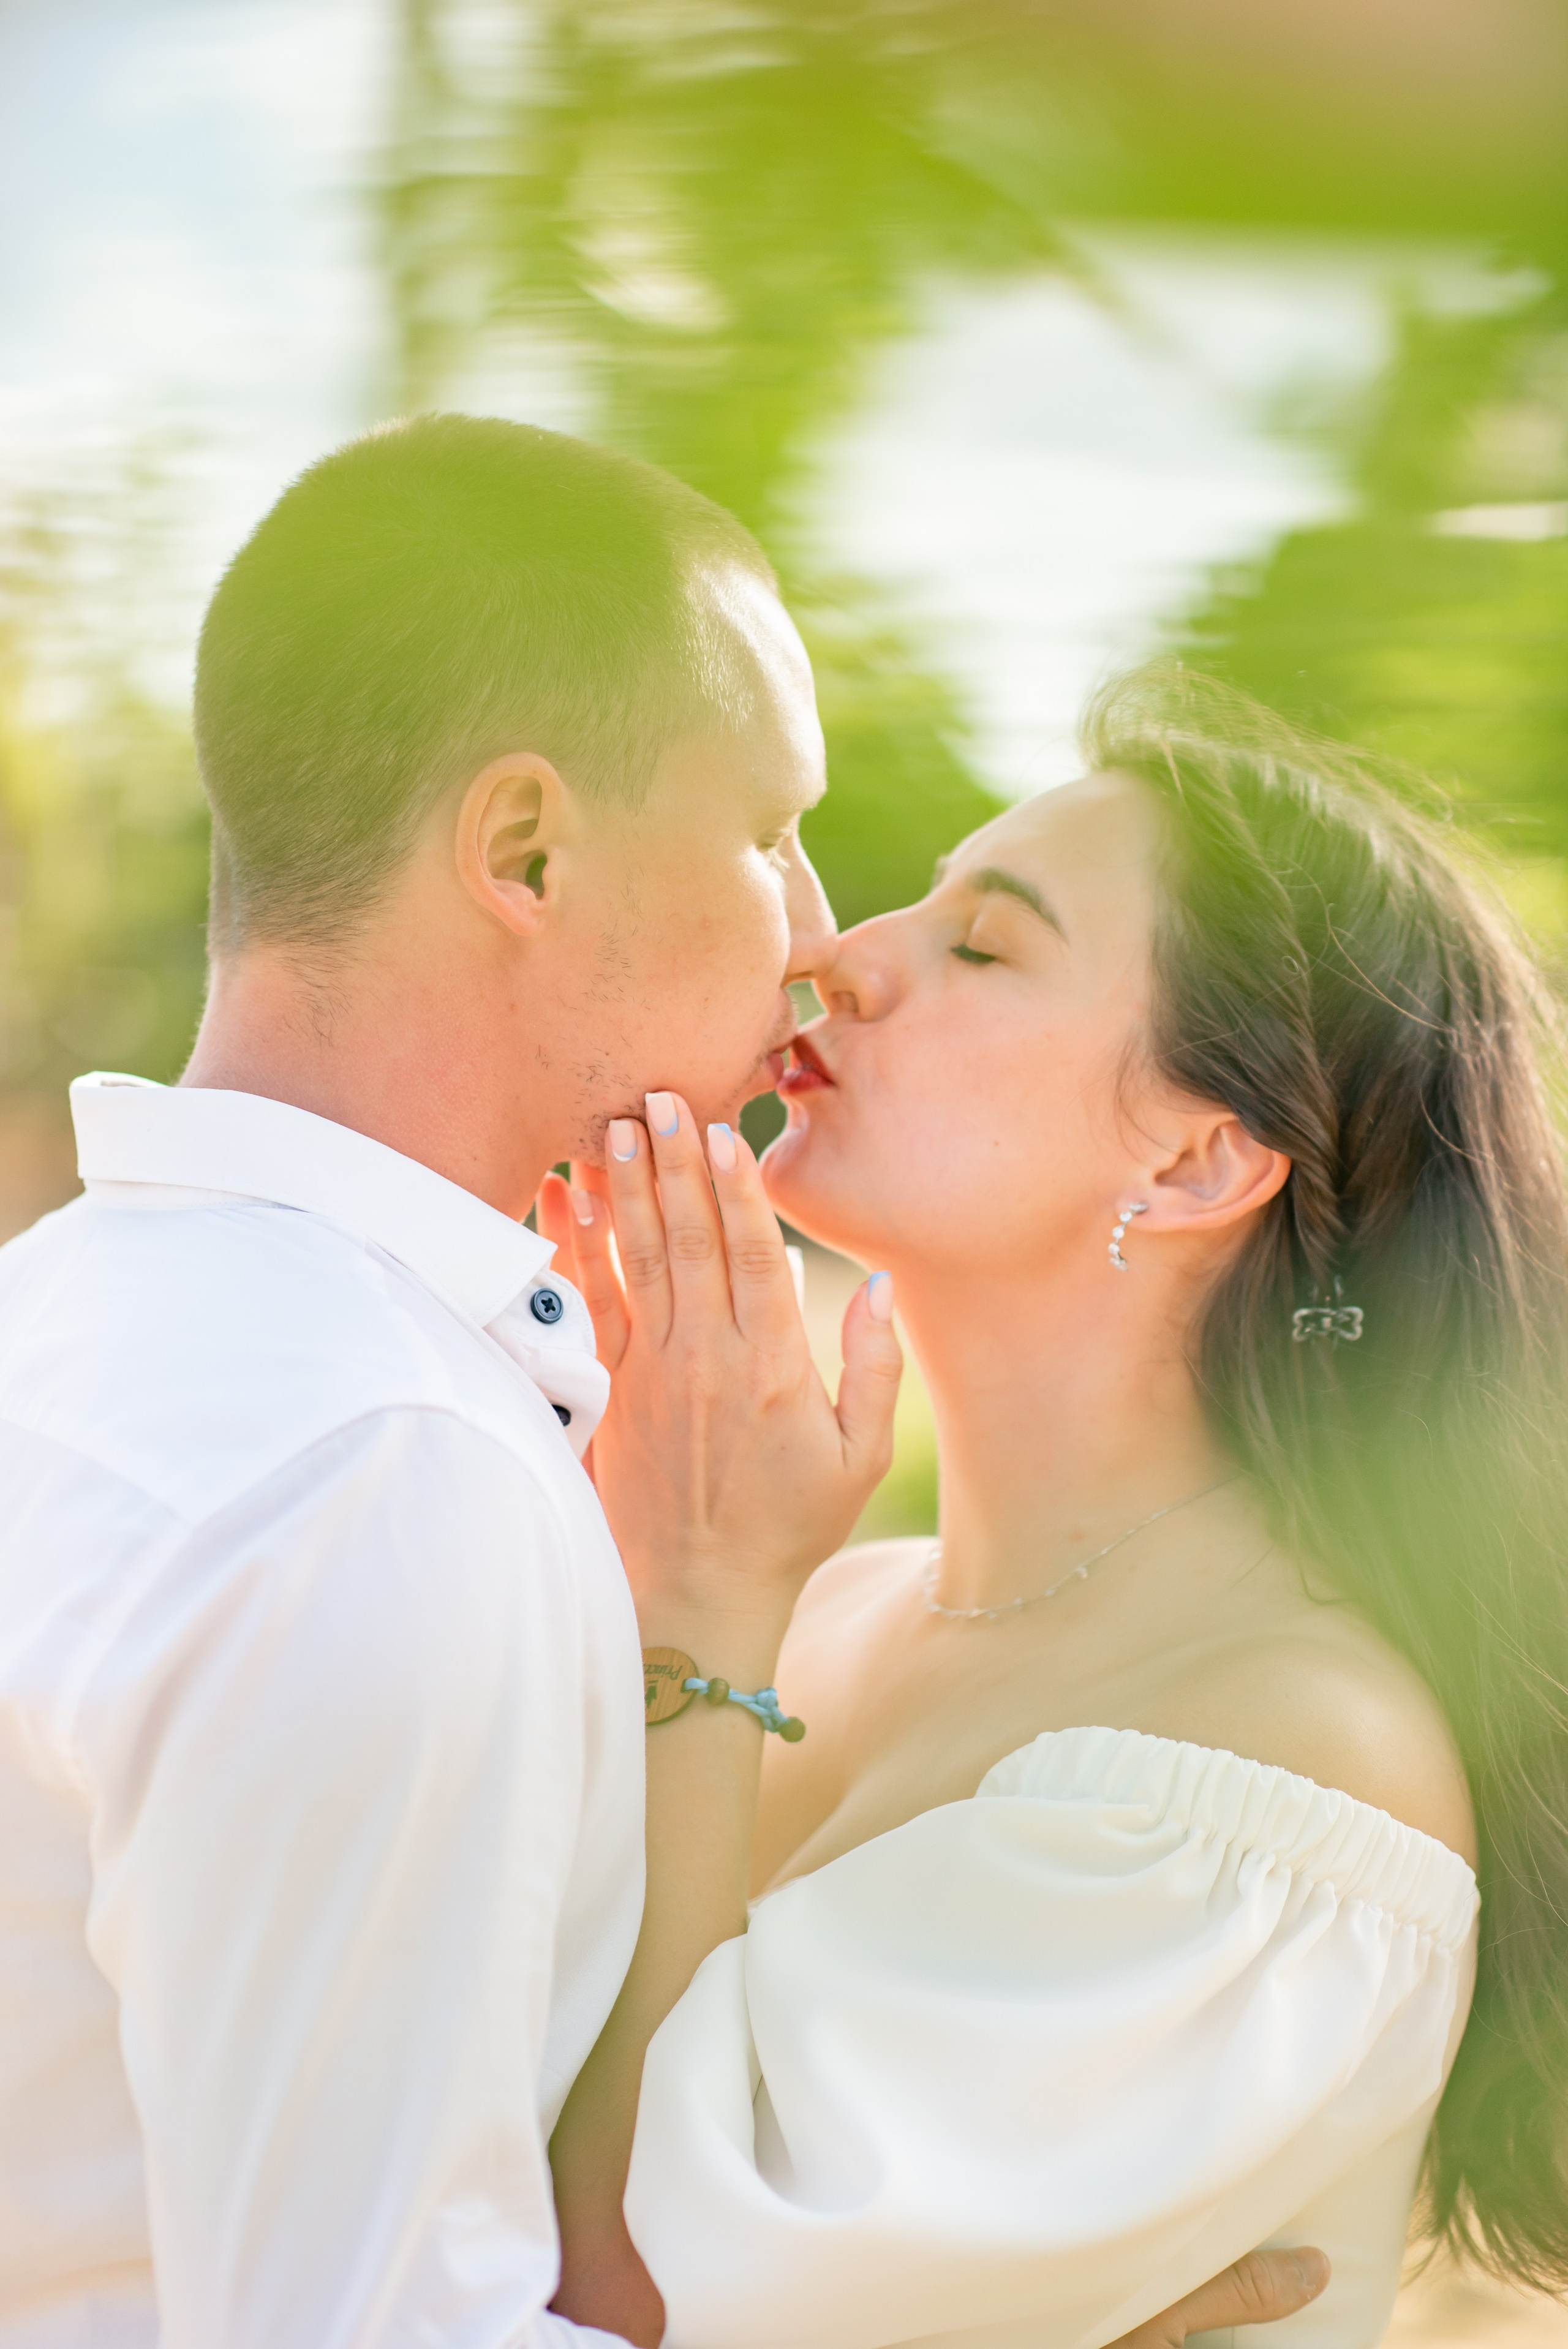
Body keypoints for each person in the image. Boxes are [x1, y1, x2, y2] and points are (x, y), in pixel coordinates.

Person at [0, 421, 1316, 2348]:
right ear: (526, 848)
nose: (811, 927)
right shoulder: (383, 1465)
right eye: (768, 825)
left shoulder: (75, 1321)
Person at [543, 669, 1568, 2347]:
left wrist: (690, 1602)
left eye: (985, 944)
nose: (845, 952)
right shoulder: (827, 1602)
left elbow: (638, 2290)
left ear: (1192, 1164)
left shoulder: (1283, 1758)